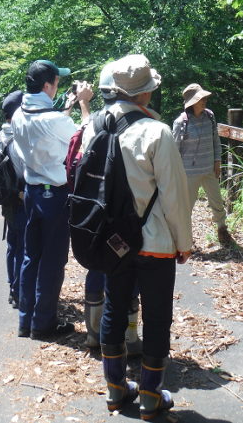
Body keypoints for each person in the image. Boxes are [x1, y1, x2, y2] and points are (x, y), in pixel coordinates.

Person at [81, 54, 191, 420]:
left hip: (113, 242)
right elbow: (175, 195)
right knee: (157, 318)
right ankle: (149, 397)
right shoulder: (156, 132)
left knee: (114, 307)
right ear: (145, 94)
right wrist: (184, 242)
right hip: (155, 242)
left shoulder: (93, 127)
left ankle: (115, 391)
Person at [11, 60, 93, 340]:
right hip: (56, 195)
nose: (58, 86)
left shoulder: (19, 115)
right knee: (53, 260)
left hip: (32, 193)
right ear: (46, 86)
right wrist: (83, 103)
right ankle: (43, 323)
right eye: (56, 83)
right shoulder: (54, 120)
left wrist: (65, 105)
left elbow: (49, 126)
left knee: (30, 257)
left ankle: (26, 320)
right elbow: (86, 136)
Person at [82, 63, 143, 355]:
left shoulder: (91, 122)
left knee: (97, 267)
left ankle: (95, 335)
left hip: (94, 212)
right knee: (128, 271)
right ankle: (130, 340)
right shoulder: (137, 123)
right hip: (128, 214)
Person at [172, 84, 233, 246]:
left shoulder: (210, 116)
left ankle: (222, 230)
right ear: (192, 102)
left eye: (205, 98)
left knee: (217, 202)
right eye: (201, 98)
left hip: (208, 169)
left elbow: (216, 141)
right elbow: (175, 150)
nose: (204, 100)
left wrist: (217, 161)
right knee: (187, 207)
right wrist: (175, 174)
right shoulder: (180, 122)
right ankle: (185, 239)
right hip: (188, 172)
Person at [0, 90, 25, 309]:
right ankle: (18, 291)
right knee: (23, 247)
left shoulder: (0, 135)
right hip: (21, 199)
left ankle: (12, 287)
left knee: (13, 245)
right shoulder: (17, 139)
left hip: (7, 200)